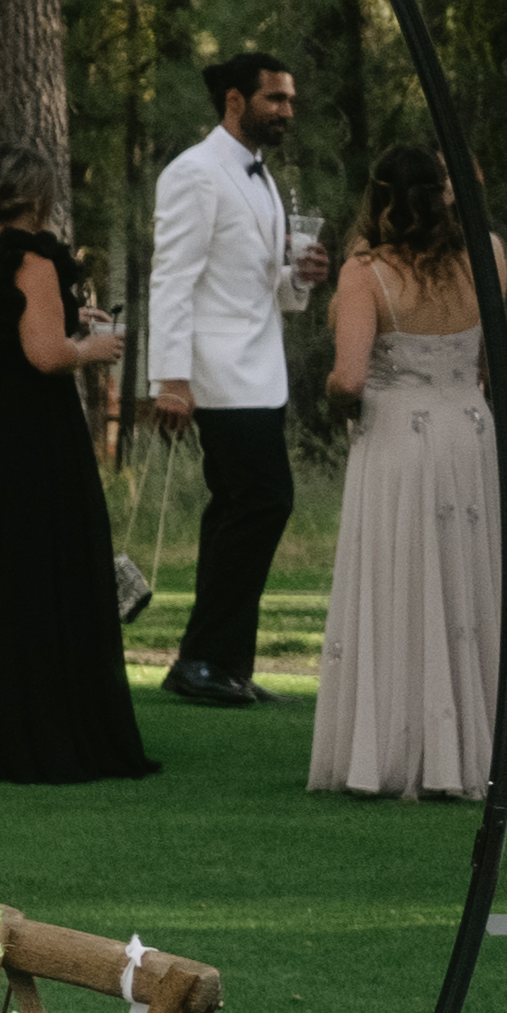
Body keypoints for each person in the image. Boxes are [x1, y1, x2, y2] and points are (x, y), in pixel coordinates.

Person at [0, 146, 157, 788]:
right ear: (37, 199)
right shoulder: (31, 256)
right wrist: (95, 347)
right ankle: (44, 718)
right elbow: (46, 356)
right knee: (41, 560)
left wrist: (68, 318)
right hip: (26, 424)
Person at [301, 139, 507, 803]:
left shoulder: (365, 274)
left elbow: (348, 376)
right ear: (446, 194)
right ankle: (478, 743)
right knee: (468, 582)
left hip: (398, 434)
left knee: (401, 579)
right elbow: (486, 358)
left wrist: (337, 399)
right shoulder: (486, 255)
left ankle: (396, 748)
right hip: (469, 427)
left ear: (377, 198)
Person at [145, 51, 313, 706]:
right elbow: (173, 278)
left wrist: (300, 276)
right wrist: (172, 379)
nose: (287, 111)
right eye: (276, 98)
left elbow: (264, 283)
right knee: (264, 501)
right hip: (216, 373)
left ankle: (220, 662)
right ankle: (204, 659)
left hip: (260, 369)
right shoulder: (194, 172)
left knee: (237, 511)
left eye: (290, 99)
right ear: (236, 101)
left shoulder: (263, 177)